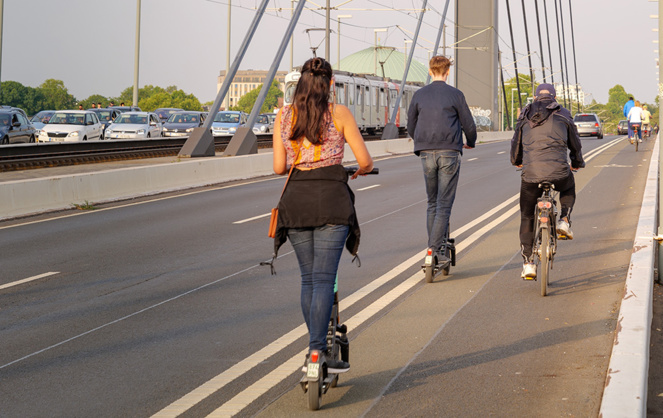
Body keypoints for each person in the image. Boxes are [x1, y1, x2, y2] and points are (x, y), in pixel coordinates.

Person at [269, 57, 373, 373]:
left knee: (309, 279)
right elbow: (365, 160)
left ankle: (313, 351)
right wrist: (359, 171)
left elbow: (277, 167)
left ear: (300, 83)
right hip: (332, 201)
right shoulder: (339, 113)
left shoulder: (284, 116)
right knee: (326, 280)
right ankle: (319, 352)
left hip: (296, 202)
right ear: (329, 84)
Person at [407, 55, 476, 263]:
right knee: (444, 204)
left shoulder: (419, 95)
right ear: (447, 72)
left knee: (432, 203)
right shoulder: (455, 95)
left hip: (426, 152)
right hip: (449, 152)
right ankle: (434, 251)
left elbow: (411, 124)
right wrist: (470, 142)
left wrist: (421, 140)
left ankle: (433, 249)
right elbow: (469, 124)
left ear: (430, 71)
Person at [510, 83, 585, 279]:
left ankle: (528, 263)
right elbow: (575, 143)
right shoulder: (563, 113)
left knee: (527, 216)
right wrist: (577, 162)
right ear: (554, 97)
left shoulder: (525, 114)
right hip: (559, 172)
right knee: (568, 186)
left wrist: (517, 161)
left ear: (536, 97)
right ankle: (564, 219)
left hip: (531, 175)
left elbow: (516, 144)